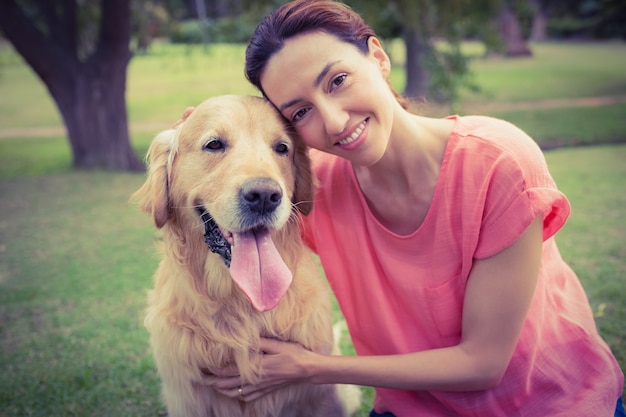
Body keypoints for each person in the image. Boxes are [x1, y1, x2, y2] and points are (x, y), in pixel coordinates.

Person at [189, 0, 624, 415]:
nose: (335, 120)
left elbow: (483, 364)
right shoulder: (313, 184)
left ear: (377, 57)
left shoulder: (499, 163)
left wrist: (313, 367)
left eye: (337, 81)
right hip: (409, 409)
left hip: (546, 406)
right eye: (301, 111)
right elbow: (236, 178)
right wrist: (199, 137)